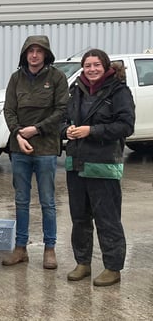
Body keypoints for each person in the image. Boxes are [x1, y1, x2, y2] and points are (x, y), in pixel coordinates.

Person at [62, 49, 134, 287]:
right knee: (80, 218)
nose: (92, 69)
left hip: (103, 164)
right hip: (76, 163)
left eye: (96, 65)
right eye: (87, 65)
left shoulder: (118, 92)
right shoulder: (76, 90)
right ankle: (83, 263)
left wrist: (91, 131)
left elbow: (126, 125)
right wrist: (67, 131)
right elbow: (64, 118)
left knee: (107, 219)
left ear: (105, 67)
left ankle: (113, 268)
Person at [2, 36, 68, 269]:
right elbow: (8, 110)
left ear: (46, 54)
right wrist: (19, 134)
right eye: (30, 51)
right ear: (25, 54)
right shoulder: (15, 78)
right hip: (19, 148)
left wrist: (37, 129)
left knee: (48, 201)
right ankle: (20, 248)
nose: (34, 55)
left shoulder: (57, 78)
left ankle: (50, 248)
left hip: (46, 148)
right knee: (21, 200)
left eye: (39, 51)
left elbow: (62, 110)